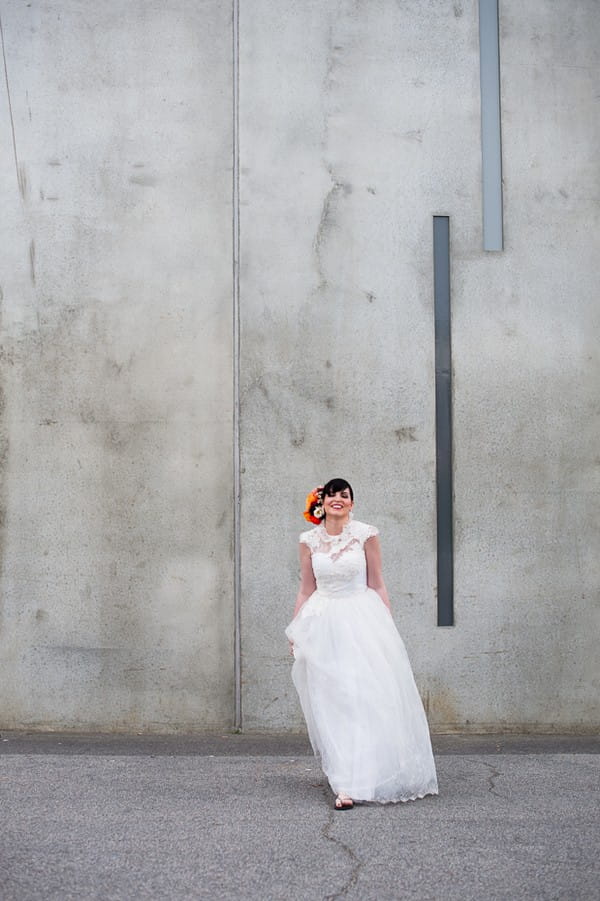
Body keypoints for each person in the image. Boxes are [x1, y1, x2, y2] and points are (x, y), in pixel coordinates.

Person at [285, 478, 438, 809]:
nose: (338, 499)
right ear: (320, 503)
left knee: (362, 699)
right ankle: (343, 782)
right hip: (322, 623)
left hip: (361, 621)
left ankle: (358, 779)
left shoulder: (366, 535)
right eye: (332, 495)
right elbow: (306, 589)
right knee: (333, 701)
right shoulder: (308, 541)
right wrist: (295, 630)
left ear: (352, 504)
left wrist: (387, 628)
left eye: (345, 495)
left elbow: (377, 583)